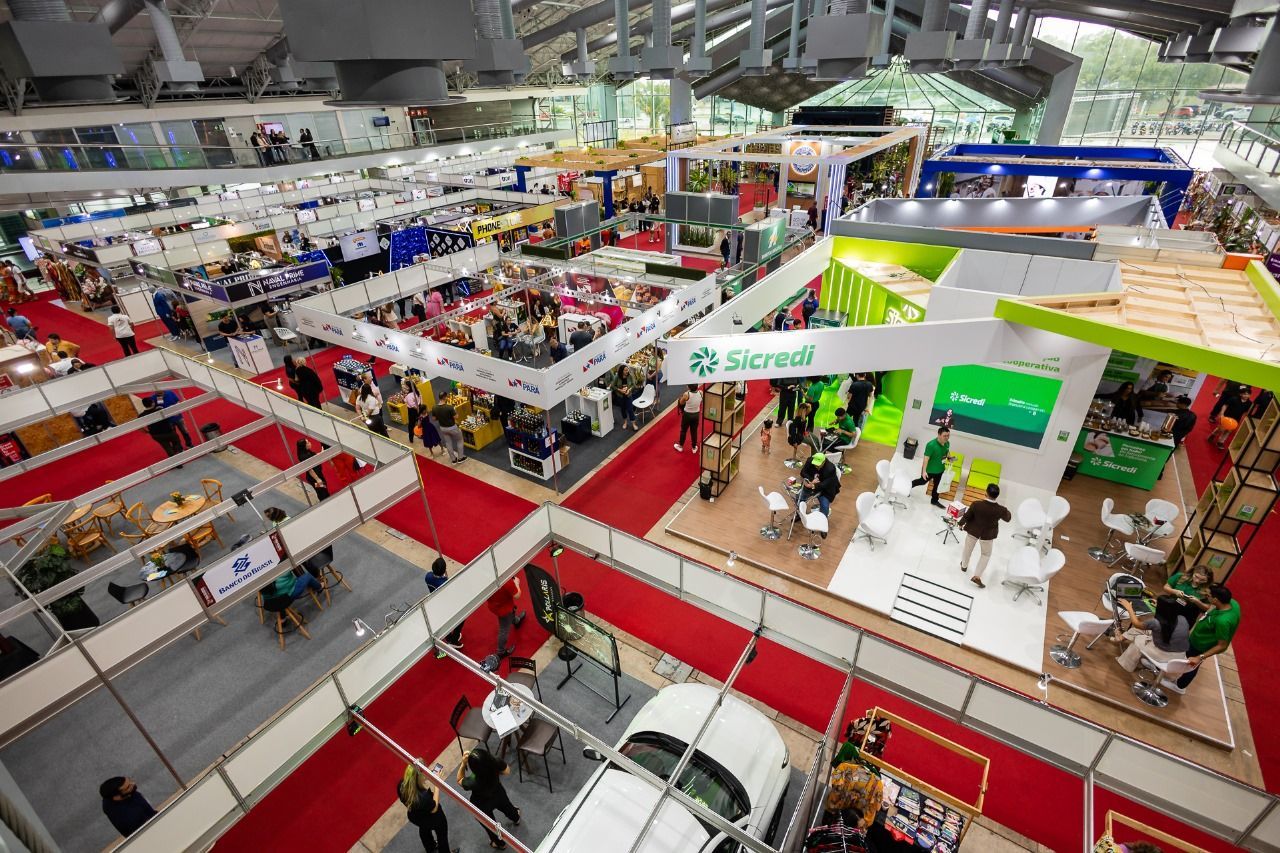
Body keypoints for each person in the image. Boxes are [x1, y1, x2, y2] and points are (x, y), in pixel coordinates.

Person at [1167, 584, 1240, 694]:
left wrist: (1200, 657)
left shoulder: (1223, 621)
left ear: (1215, 599)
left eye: (1208, 595)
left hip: (1200, 645)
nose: (1206, 596)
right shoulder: (1232, 603)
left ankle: (1179, 686)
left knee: (1191, 665)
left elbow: (1222, 645)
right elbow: (1210, 609)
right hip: (1196, 638)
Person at [458, 747, 520, 849]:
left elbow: (460, 779)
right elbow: (507, 771)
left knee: (490, 825)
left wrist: (463, 764)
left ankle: (500, 843)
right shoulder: (496, 762)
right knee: (507, 806)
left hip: (481, 804)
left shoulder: (472, 780)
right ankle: (516, 818)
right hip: (498, 792)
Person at [1114, 595, 1191, 674]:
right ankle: (1121, 637)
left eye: (1158, 603)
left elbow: (1136, 623)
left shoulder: (1155, 623)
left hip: (1166, 657)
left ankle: (1126, 664)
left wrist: (1129, 608)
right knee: (1141, 630)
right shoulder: (1182, 619)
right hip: (1180, 655)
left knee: (1139, 639)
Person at [957, 483, 1011, 588]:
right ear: (997, 496)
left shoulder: (976, 504)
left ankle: (964, 566)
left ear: (985, 493)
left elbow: (967, 516)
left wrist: (960, 524)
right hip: (988, 535)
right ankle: (977, 576)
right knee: (985, 555)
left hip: (973, 531)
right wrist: (1005, 510)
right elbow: (1008, 518)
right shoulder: (1001, 509)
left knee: (967, 550)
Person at [398, 761, 456, 853]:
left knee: (424, 830)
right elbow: (434, 808)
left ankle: (430, 848)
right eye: (424, 772)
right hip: (433, 819)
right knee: (442, 835)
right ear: (419, 777)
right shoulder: (423, 797)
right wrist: (437, 783)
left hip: (415, 816)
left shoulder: (402, 785)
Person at [425, 557, 464, 657]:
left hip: (435, 602)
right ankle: (454, 640)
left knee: (442, 621)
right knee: (461, 617)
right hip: (445, 605)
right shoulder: (444, 583)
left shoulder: (428, 576)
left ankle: (449, 637)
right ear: (444, 570)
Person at [911, 426, 952, 508]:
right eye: (945, 436)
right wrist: (924, 471)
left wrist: (950, 457)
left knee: (937, 486)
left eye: (948, 435)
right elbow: (926, 458)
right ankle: (907, 486)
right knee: (922, 482)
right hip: (929, 470)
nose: (947, 438)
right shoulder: (931, 445)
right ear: (939, 435)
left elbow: (947, 451)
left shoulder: (947, 443)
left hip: (940, 469)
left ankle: (934, 501)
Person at [487, 575, 526, 657]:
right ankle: (501, 651)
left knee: (511, 612)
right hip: (504, 609)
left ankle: (516, 621)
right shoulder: (506, 581)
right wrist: (516, 584)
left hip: (494, 604)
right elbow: (517, 595)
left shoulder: (488, 577)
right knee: (504, 629)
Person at [142, 396, 184, 465]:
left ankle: (177, 464)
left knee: (167, 447)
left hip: (156, 435)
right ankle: (179, 454)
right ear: (152, 403)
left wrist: (146, 431)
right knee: (176, 441)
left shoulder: (142, 415)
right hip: (168, 431)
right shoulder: (160, 410)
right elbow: (173, 414)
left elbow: (140, 428)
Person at [1209, 384, 1252, 448]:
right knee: (1221, 429)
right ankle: (1213, 435)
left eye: (1248, 394)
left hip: (1236, 419)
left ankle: (1220, 442)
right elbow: (1225, 405)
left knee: (1228, 431)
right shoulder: (1234, 399)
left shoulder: (1249, 403)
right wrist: (1222, 413)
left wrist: (1245, 417)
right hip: (1226, 416)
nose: (1246, 395)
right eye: (1244, 394)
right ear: (1240, 394)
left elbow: (1246, 412)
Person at [799, 452, 841, 517]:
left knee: (824, 506)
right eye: (815, 464)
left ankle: (823, 519)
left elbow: (826, 484)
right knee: (800, 497)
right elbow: (803, 472)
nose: (816, 466)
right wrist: (811, 480)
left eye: (818, 465)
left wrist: (813, 485)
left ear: (823, 462)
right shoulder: (810, 461)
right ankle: (800, 514)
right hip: (812, 483)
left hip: (825, 490)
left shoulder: (830, 468)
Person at [674, 384, 703, 452]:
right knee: (694, 431)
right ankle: (694, 447)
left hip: (687, 415)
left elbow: (681, 403)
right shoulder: (701, 393)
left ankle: (680, 446)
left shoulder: (686, 394)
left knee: (683, 430)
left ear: (689, 387)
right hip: (696, 415)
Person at [612, 365, 640, 432]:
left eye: (627, 370)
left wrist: (629, 390)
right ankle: (625, 422)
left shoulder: (630, 376)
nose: (627, 371)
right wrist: (619, 390)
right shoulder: (617, 377)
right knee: (623, 409)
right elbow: (613, 386)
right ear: (622, 371)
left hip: (628, 395)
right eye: (625, 370)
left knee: (630, 409)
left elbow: (633, 385)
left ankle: (633, 424)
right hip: (620, 396)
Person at [402, 380, 422, 445]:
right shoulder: (417, 391)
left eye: (406, 386)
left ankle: (411, 438)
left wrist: (418, 410)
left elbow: (412, 405)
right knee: (420, 421)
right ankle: (421, 434)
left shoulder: (409, 395)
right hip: (419, 407)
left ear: (409, 387)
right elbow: (421, 398)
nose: (404, 387)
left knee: (411, 424)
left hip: (413, 411)